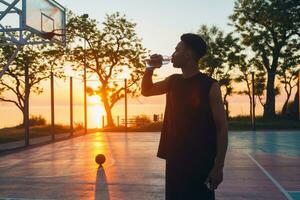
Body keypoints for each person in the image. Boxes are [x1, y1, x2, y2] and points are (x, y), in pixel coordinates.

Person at [141, 33, 228, 200]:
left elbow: (221, 127)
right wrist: (149, 68)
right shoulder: (173, 81)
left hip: (201, 161)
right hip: (175, 158)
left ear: (188, 55)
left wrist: (218, 167)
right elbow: (146, 91)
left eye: (177, 50)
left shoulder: (210, 86)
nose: (173, 55)